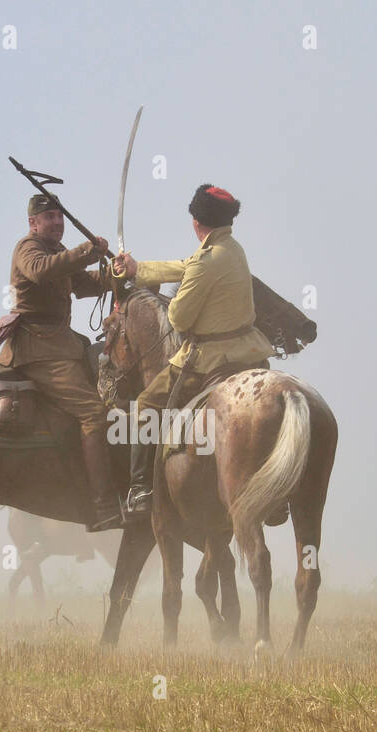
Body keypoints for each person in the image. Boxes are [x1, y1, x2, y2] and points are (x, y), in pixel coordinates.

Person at [113, 184, 275, 516]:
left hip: (209, 358)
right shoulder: (232, 249)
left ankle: (140, 489)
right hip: (251, 352)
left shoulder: (205, 262)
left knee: (146, 402)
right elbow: (184, 265)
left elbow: (178, 317)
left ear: (195, 222)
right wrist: (136, 269)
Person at [0, 194, 121, 531]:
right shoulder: (29, 249)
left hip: (62, 345)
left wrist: (117, 275)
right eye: (49, 217)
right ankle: (104, 505)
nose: (56, 222)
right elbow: (41, 272)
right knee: (94, 412)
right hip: (39, 349)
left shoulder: (58, 254)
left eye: (59, 217)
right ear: (33, 223)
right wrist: (86, 251)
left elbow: (84, 284)